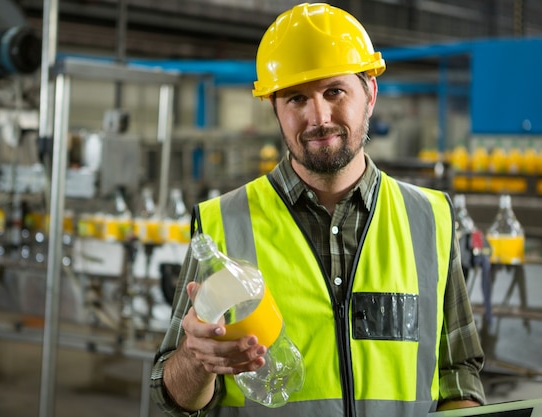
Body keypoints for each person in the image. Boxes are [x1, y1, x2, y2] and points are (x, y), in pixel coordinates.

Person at [150, 3, 486, 416]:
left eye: (334, 91)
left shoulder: (429, 218)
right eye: (296, 98)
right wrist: (196, 360)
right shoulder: (223, 224)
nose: (319, 117)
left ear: (370, 93)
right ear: (275, 108)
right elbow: (171, 398)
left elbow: (458, 372)